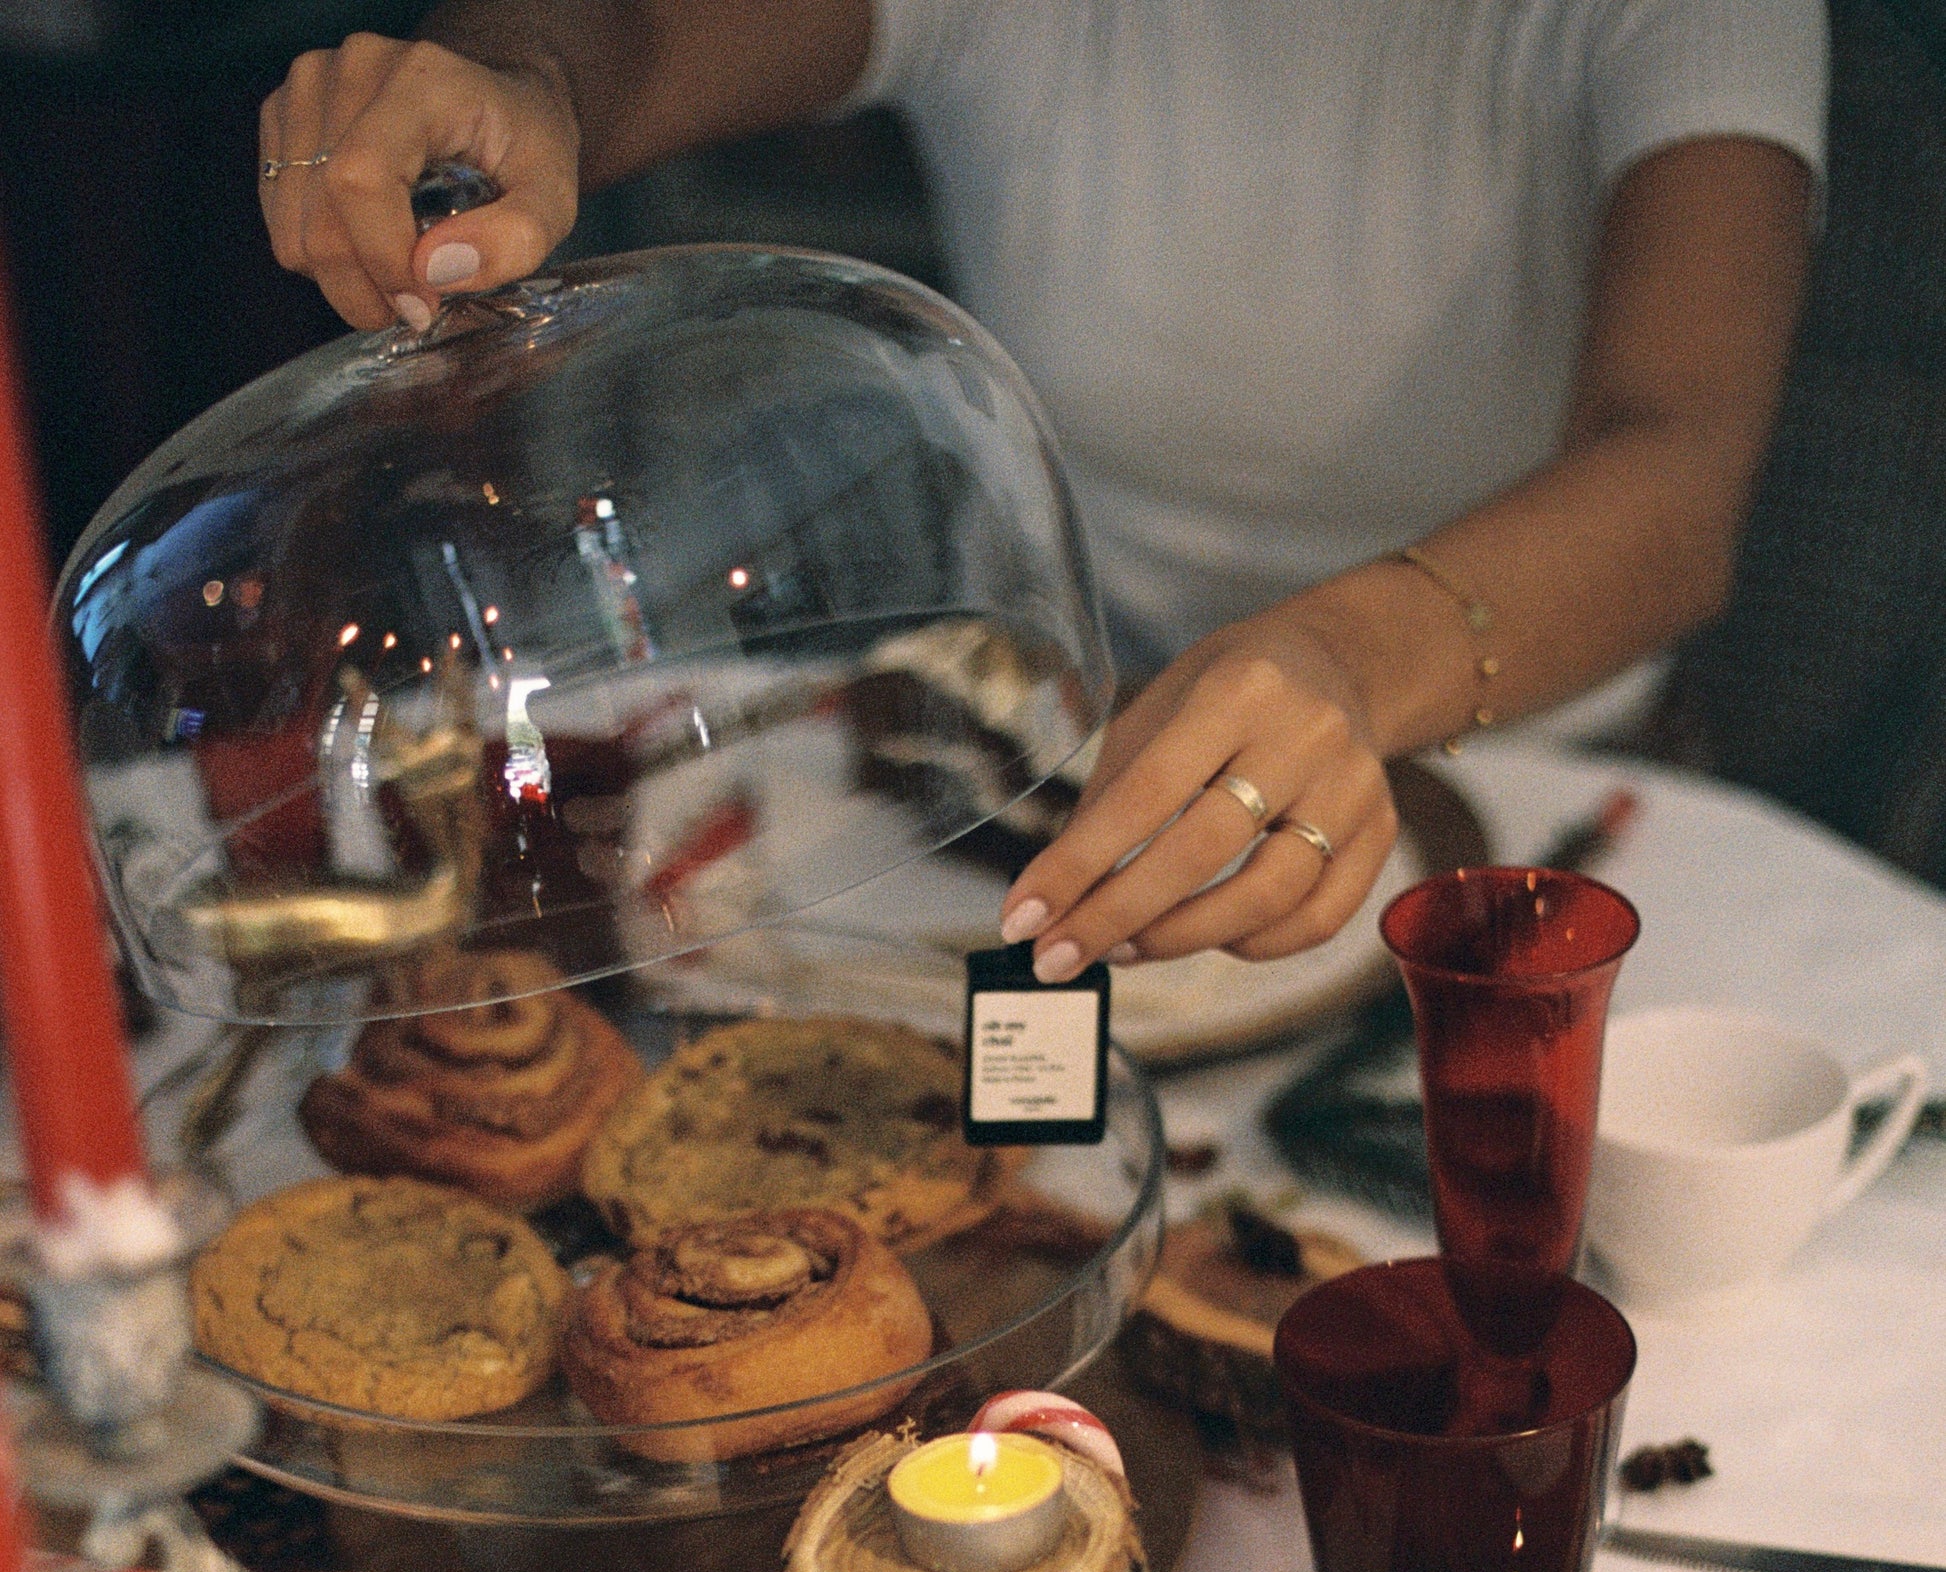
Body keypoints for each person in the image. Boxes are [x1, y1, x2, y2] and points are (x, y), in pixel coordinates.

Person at [259, 2, 1823, 984]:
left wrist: (1339, 665)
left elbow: (1677, 470)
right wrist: (509, 78)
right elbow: (628, 40)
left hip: (1555, 796)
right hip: (1062, 767)